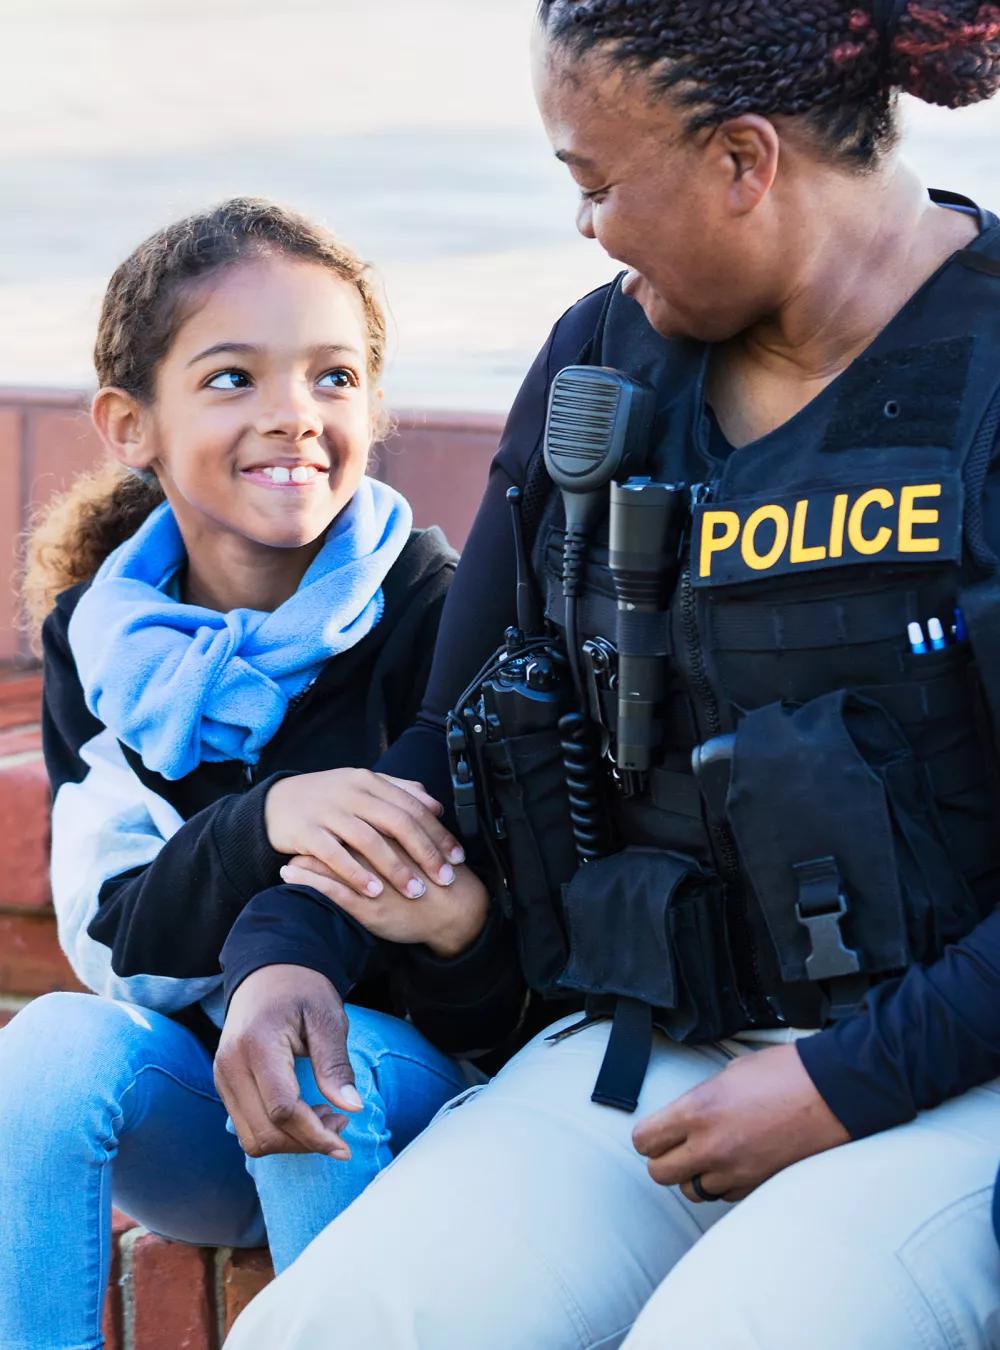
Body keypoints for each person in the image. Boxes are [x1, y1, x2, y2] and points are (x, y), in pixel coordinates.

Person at [223, 3, 1000, 1347]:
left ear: (743, 163)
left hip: (953, 1081)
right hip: (655, 1047)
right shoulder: (601, 360)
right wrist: (288, 952)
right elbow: (458, 741)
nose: (587, 233)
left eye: (595, 187)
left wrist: (844, 1081)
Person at [0, 196, 493, 1350]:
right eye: (232, 379)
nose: (293, 417)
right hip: (206, 1118)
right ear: (132, 424)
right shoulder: (105, 645)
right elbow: (116, 938)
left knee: (317, 1053)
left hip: (417, 1107)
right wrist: (270, 818)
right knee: (43, 1053)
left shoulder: (440, 608)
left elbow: (461, 925)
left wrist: (267, 916)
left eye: (332, 377)